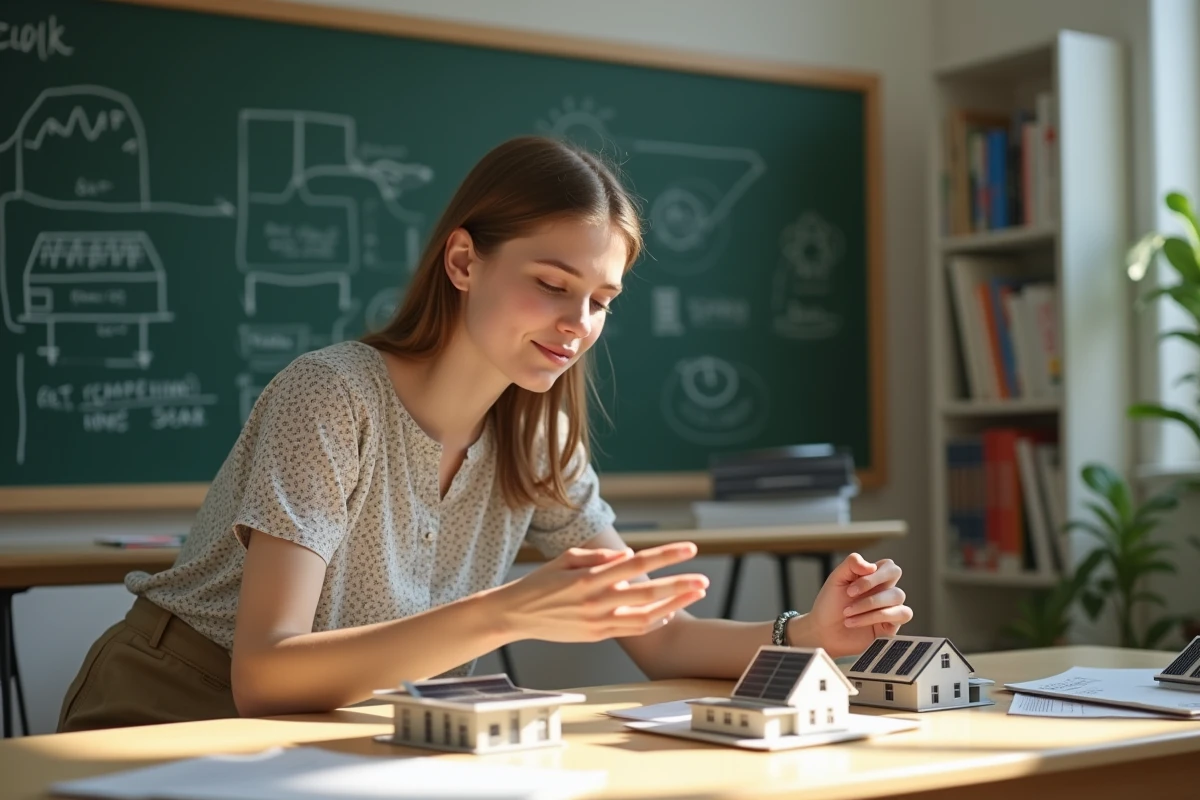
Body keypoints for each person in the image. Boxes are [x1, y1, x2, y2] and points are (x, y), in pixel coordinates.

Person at [58, 135, 911, 733]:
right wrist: (506, 612)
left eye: (602, 301)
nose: (578, 324)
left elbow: (661, 639)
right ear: (464, 262)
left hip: (344, 726)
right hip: (171, 708)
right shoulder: (332, 396)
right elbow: (265, 675)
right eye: (552, 284)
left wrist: (808, 634)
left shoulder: (539, 438)